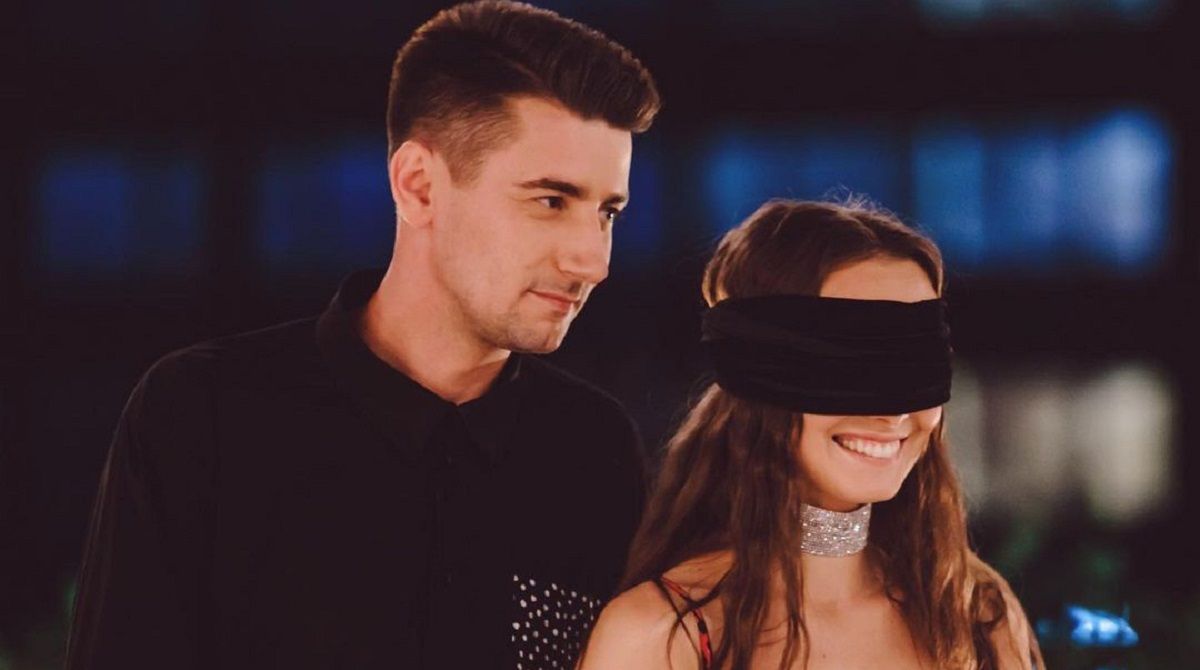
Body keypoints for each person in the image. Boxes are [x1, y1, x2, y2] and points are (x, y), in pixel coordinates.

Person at [65, 2, 660, 668]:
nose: (593, 261)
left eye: (608, 213)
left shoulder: (594, 452)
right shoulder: (203, 416)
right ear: (419, 187)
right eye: (551, 201)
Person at [580, 200, 1043, 669]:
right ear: (759, 375)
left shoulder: (975, 613)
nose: (893, 414)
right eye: (851, 366)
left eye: (918, 365)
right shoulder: (662, 634)